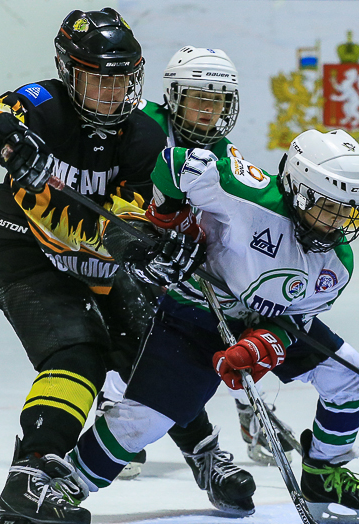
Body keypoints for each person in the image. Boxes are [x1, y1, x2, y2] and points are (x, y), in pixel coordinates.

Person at [0, 8, 203, 524]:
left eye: (120, 78)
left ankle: (203, 448)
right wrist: (6, 139)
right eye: (98, 77)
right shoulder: (42, 104)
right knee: (77, 354)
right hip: (28, 260)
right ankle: (31, 478)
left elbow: (138, 217)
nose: (110, 91)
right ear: (69, 72)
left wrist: (149, 240)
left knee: (160, 346)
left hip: (99, 266)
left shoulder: (142, 134)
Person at [61, 128, 359, 524]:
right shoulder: (243, 193)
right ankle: (66, 483)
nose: (339, 222)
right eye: (329, 207)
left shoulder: (336, 264)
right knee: (144, 420)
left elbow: (294, 321)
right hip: (194, 314)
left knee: (347, 370)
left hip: (258, 321)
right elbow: (174, 164)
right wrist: (170, 216)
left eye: (349, 210)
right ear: (299, 190)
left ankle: (324, 473)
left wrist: (260, 347)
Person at [104, 45, 305, 474]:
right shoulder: (140, 127)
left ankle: (252, 409)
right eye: (198, 97)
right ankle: (116, 406)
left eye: (217, 100)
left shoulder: (223, 153)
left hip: (173, 262)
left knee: (237, 311)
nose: (207, 110)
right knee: (127, 323)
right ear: (174, 96)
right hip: (115, 249)